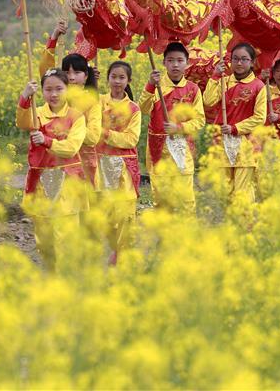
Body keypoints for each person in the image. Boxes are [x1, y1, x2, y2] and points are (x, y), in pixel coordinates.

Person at [16, 69, 87, 272]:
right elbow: (21, 122)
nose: (53, 94)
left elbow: (72, 148)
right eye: (48, 89)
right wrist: (25, 95)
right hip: (41, 180)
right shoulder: (36, 113)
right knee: (44, 235)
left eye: (59, 89)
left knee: (66, 232)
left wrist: (47, 141)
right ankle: (52, 276)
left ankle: (67, 279)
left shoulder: (76, 117)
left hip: (68, 179)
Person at [139, 42, 205, 212]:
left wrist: (179, 127)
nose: (175, 65)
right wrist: (150, 84)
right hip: (158, 148)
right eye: (170, 60)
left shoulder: (193, 89)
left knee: (186, 200)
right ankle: (164, 236)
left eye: (179, 60)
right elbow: (143, 109)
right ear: (164, 63)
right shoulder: (157, 86)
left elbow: (199, 121)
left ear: (187, 63)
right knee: (161, 200)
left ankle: (187, 235)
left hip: (183, 147)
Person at [39, 19, 102, 190]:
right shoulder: (59, 99)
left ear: (86, 76)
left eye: (77, 72)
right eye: (67, 72)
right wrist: (54, 37)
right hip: (58, 160)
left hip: (84, 162)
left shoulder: (92, 103)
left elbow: (93, 138)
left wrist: (68, 130)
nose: (72, 77)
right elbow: (46, 71)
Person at [203, 43, 267, 204]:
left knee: (243, 190)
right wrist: (215, 76)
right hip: (222, 141)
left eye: (244, 59)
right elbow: (208, 101)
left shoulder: (259, 86)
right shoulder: (224, 82)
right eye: (236, 59)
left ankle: (245, 225)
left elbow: (260, 117)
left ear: (252, 62)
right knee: (225, 190)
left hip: (246, 143)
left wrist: (235, 128)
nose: (239, 63)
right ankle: (230, 224)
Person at [97, 61, 141, 263]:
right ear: (107, 78)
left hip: (125, 165)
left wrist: (106, 134)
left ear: (128, 81)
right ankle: (115, 246)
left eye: (121, 77)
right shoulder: (98, 102)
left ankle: (122, 255)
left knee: (126, 212)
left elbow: (131, 139)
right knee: (106, 213)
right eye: (113, 76)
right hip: (102, 163)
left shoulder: (134, 109)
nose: (117, 81)